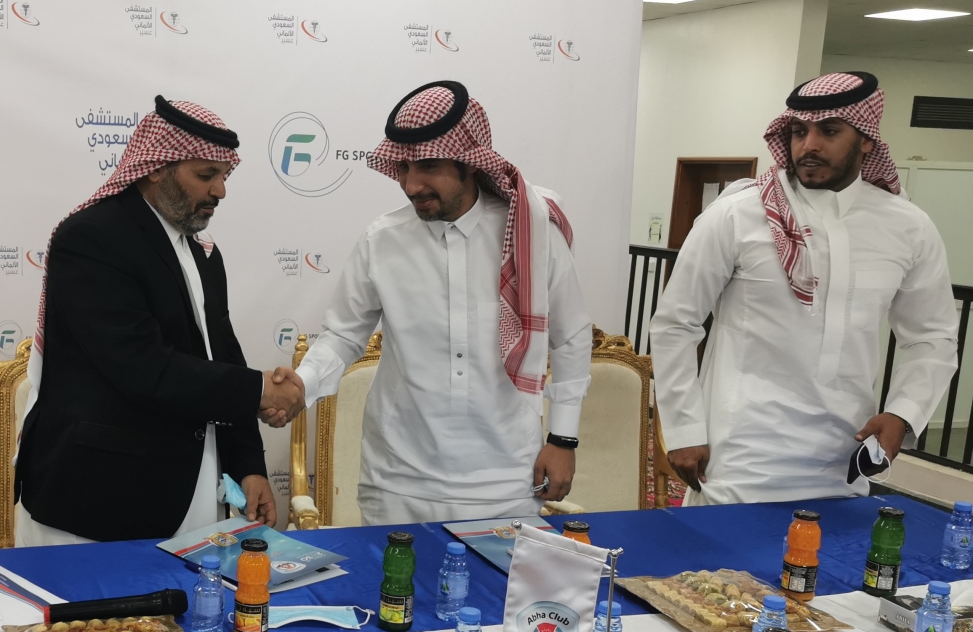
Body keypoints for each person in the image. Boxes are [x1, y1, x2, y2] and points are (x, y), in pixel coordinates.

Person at [651, 72, 957, 504]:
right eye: (799, 132)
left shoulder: (907, 226)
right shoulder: (737, 215)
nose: (808, 145)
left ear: (866, 141)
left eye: (828, 131)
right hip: (740, 458)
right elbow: (676, 324)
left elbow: (932, 336)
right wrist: (684, 429)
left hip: (844, 460)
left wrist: (903, 413)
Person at [295, 80, 592, 524]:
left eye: (429, 166)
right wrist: (300, 385)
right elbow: (342, 335)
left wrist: (563, 439)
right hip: (397, 480)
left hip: (506, 479)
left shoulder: (532, 235)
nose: (411, 184)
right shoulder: (382, 240)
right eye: (402, 167)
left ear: (470, 163)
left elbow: (571, 337)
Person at [15, 96, 303, 544]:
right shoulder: (92, 237)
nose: (220, 191)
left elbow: (222, 357)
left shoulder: (202, 251)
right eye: (206, 175)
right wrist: (260, 390)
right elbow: (141, 366)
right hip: (98, 504)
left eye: (224, 176)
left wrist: (248, 464)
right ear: (155, 168)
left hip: (195, 493)